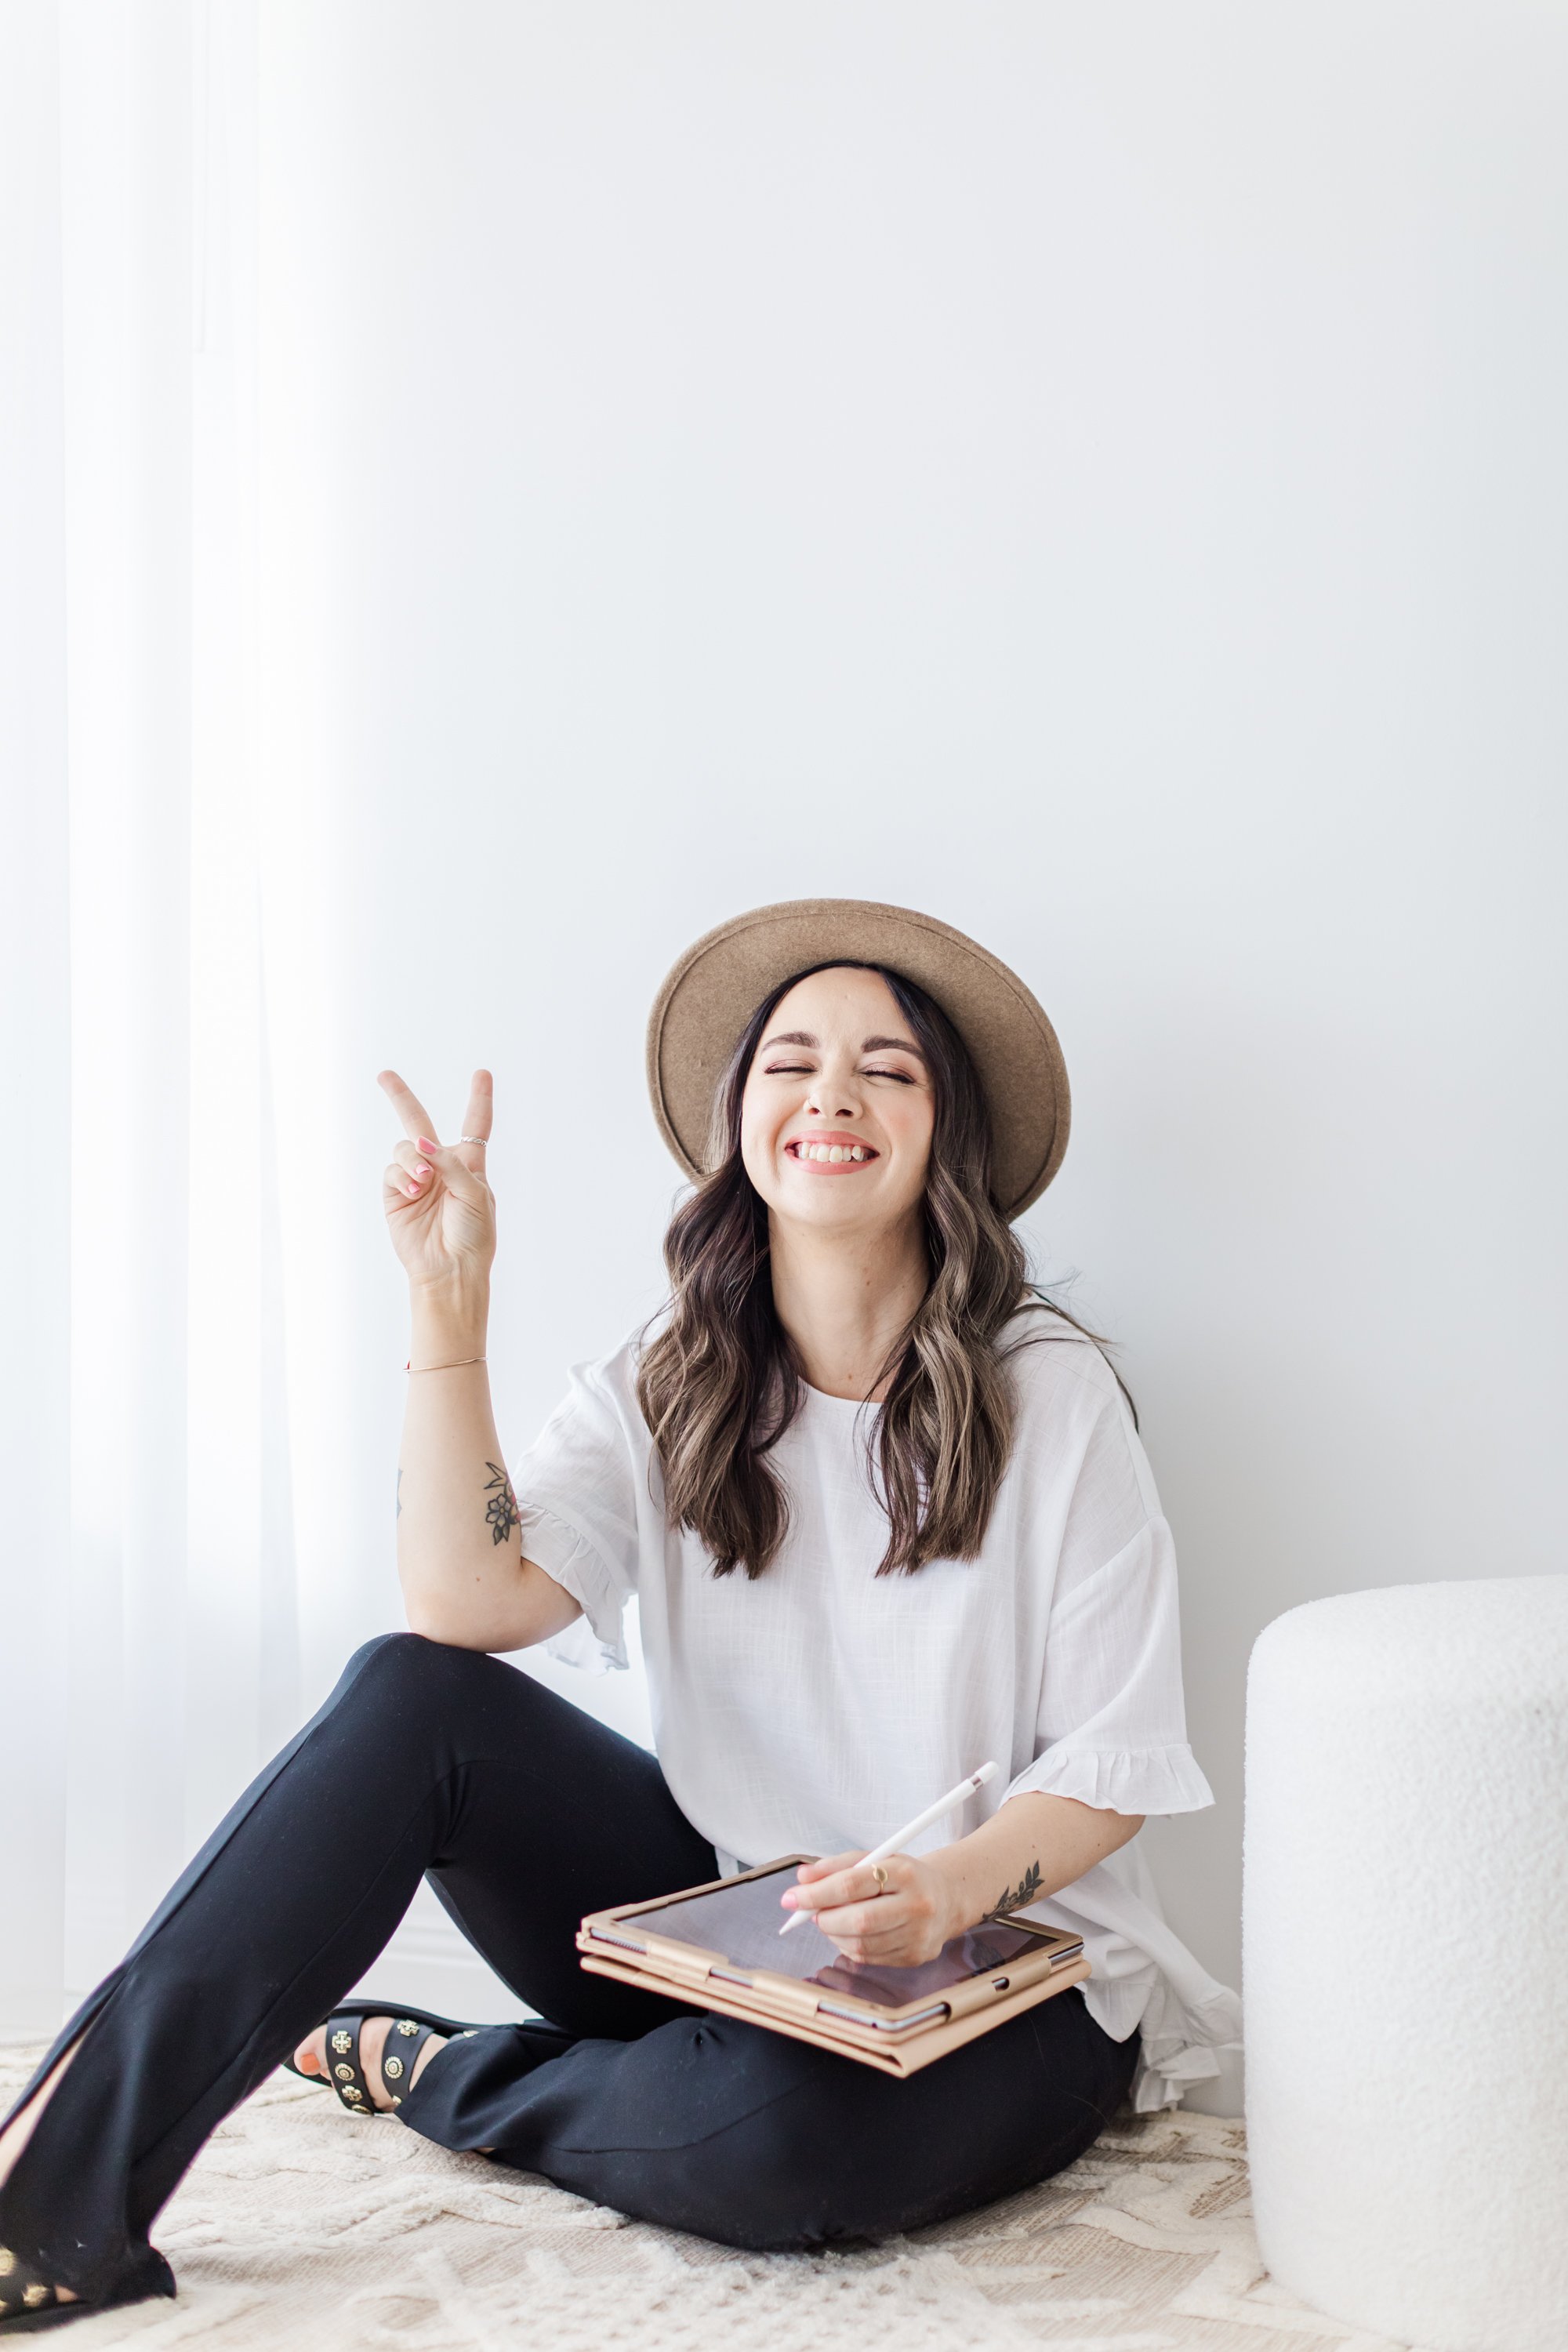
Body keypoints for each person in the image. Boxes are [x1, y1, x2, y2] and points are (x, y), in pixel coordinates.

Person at [0, 898, 1240, 2328]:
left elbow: (1110, 1768)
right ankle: (54, 2204)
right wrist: (449, 1309)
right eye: (791, 1062)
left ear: (941, 1133)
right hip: (743, 1938)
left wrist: (944, 1895)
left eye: (887, 1069)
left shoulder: (1053, 1395)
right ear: (741, 1120)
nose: (832, 1094)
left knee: (783, 2147)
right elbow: (463, 1602)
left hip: (1015, 1975)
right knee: (411, 1695)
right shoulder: (678, 1374)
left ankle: (459, 2072)